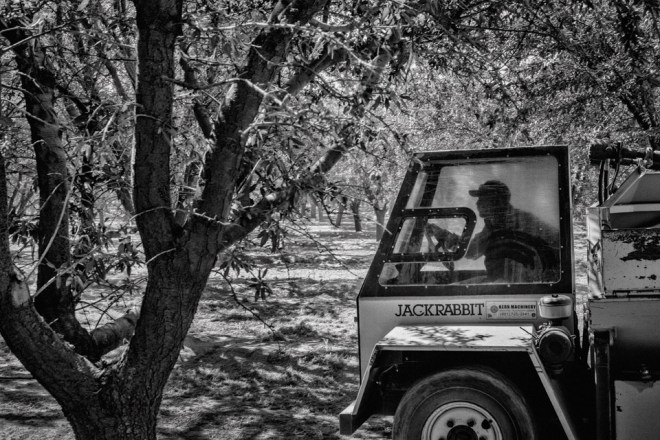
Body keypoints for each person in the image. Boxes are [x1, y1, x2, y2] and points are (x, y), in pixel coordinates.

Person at [426, 180, 560, 282]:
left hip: (518, 288)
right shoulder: (494, 225)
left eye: (482, 199)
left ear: (498, 202)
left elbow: (556, 242)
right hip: (502, 283)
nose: (477, 204)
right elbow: (471, 251)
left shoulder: (524, 222)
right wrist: (444, 235)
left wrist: (548, 279)